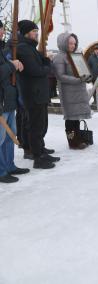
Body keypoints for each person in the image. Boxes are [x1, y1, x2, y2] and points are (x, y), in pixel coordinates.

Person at [16, 20, 60, 169]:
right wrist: (47, 65)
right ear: (27, 33)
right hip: (33, 94)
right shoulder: (23, 48)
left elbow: (43, 63)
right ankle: (37, 157)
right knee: (35, 127)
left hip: (39, 93)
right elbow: (36, 71)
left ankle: (41, 150)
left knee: (40, 125)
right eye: (35, 31)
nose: (37, 33)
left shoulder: (31, 48)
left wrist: (45, 62)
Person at [0, 20, 30, 183]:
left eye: (2, 28)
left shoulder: (2, 49)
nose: (1, 31)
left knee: (10, 136)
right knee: (0, 137)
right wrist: (12, 65)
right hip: (1, 101)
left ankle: (9, 165)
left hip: (8, 99)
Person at [53, 32, 92, 150]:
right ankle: (72, 141)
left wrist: (87, 76)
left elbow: (82, 71)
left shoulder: (75, 56)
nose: (72, 46)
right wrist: (78, 80)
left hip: (78, 91)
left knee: (76, 118)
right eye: (70, 43)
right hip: (68, 93)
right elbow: (60, 76)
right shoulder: (59, 57)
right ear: (63, 43)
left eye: (74, 43)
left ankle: (78, 138)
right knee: (70, 119)